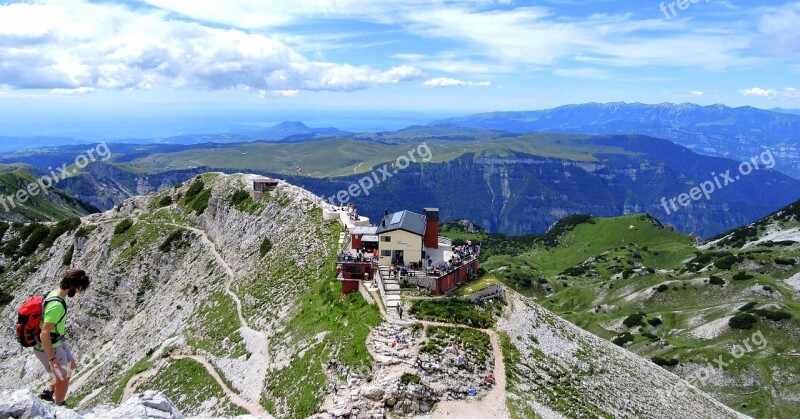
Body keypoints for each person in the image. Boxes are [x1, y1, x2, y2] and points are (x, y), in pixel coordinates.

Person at [34, 269, 90, 406]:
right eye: (78, 289)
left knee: (71, 365)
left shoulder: (53, 294)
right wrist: (52, 358)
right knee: (63, 374)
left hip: (58, 340)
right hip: (50, 345)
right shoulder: (56, 305)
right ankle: (56, 401)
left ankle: (52, 395)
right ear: (73, 287)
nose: (77, 292)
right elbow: (44, 333)